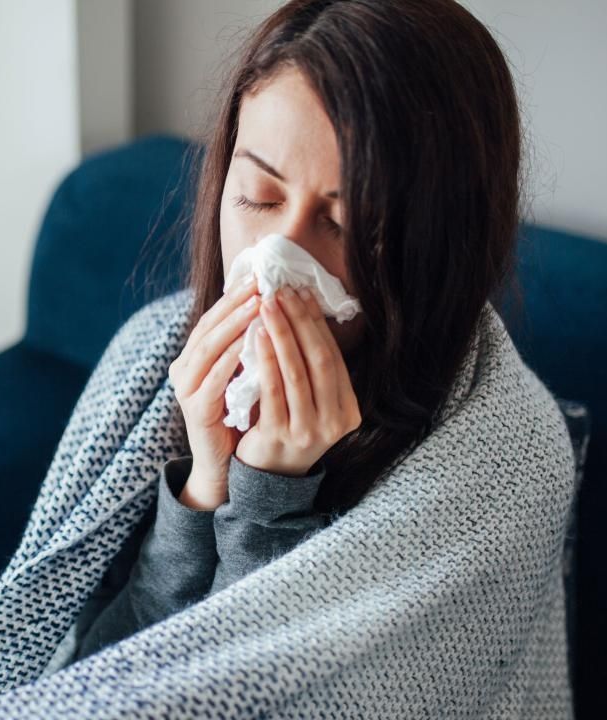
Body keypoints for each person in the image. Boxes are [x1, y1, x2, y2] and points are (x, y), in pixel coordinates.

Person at [69, 0, 537, 665]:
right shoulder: (150, 353)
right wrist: (207, 484)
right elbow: (95, 680)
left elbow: (257, 695)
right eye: (261, 195)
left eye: (347, 227)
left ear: (437, 249)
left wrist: (269, 503)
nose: (276, 259)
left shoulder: (495, 465)